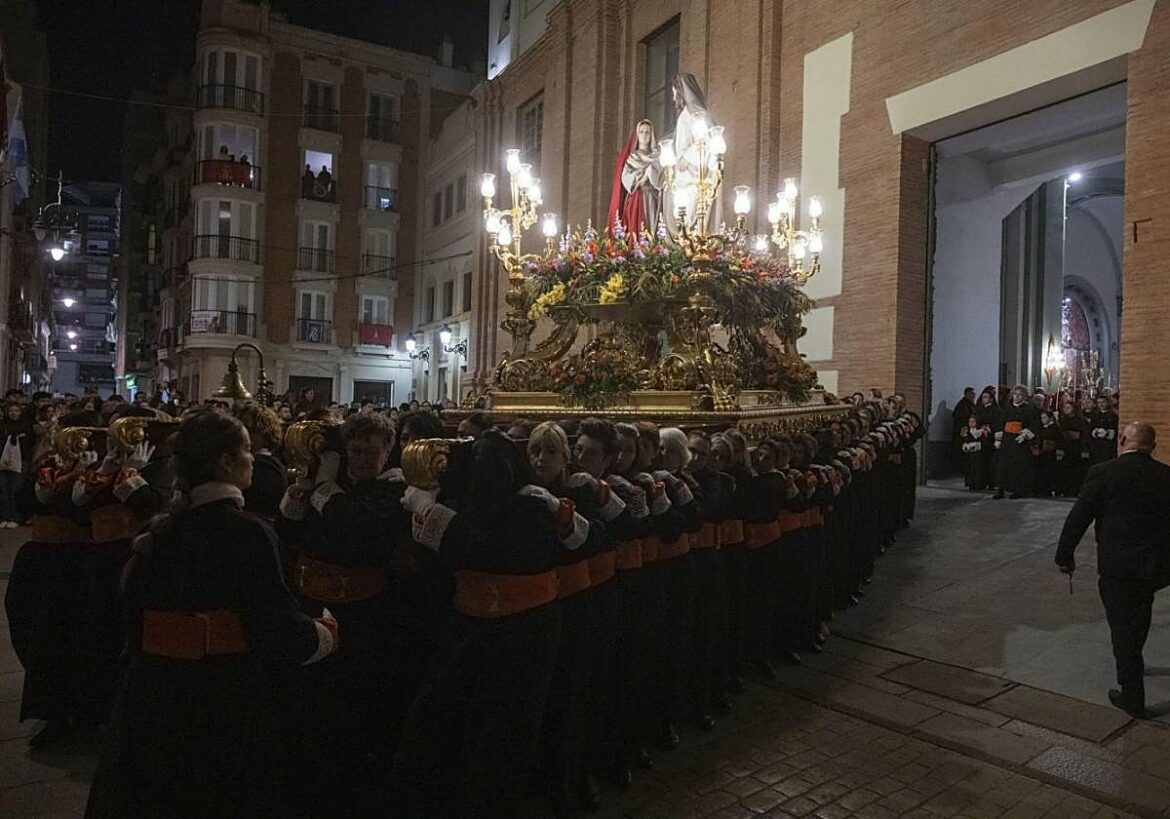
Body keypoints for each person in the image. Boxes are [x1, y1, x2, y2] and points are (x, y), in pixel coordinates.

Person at [84, 409, 339, 818]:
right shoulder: (246, 533)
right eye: (247, 451)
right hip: (219, 700)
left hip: (151, 695)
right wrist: (323, 634)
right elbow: (273, 626)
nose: (253, 459)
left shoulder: (161, 531)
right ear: (225, 462)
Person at [1055, 422, 1170, 719]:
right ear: (1152, 447)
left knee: (1121, 628)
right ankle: (1135, 665)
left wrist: (1064, 555)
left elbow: (1079, 517)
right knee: (1139, 617)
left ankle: (1132, 696)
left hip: (1117, 565)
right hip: (1151, 566)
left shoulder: (1103, 472)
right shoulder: (1165, 475)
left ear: (1122, 441)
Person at [607, 118, 662, 238]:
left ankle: (653, 250)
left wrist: (649, 172)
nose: (644, 135)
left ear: (651, 135)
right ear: (637, 134)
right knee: (637, 229)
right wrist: (636, 176)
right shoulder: (632, 158)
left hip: (652, 196)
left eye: (647, 132)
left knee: (652, 226)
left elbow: (661, 177)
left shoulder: (657, 156)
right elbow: (625, 177)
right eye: (641, 132)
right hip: (637, 196)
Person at [994, 385, 1039, 499]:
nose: (1016, 397)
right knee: (1003, 465)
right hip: (1007, 440)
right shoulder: (1007, 408)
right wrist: (999, 437)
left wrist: (1025, 435)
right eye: (1015, 394)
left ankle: (1018, 490)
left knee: (1018, 466)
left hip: (1020, 441)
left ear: (1024, 397)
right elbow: (1001, 423)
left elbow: (1033, 425)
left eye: (1019, 395)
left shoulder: (1029, 409)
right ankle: (1001, 489)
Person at [951, 387, 976, 472]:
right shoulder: (963, 405)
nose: (973, 396)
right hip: (962, 433)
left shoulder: (970, 404)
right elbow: (962, 420)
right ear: (967, 394)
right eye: (972, 394)